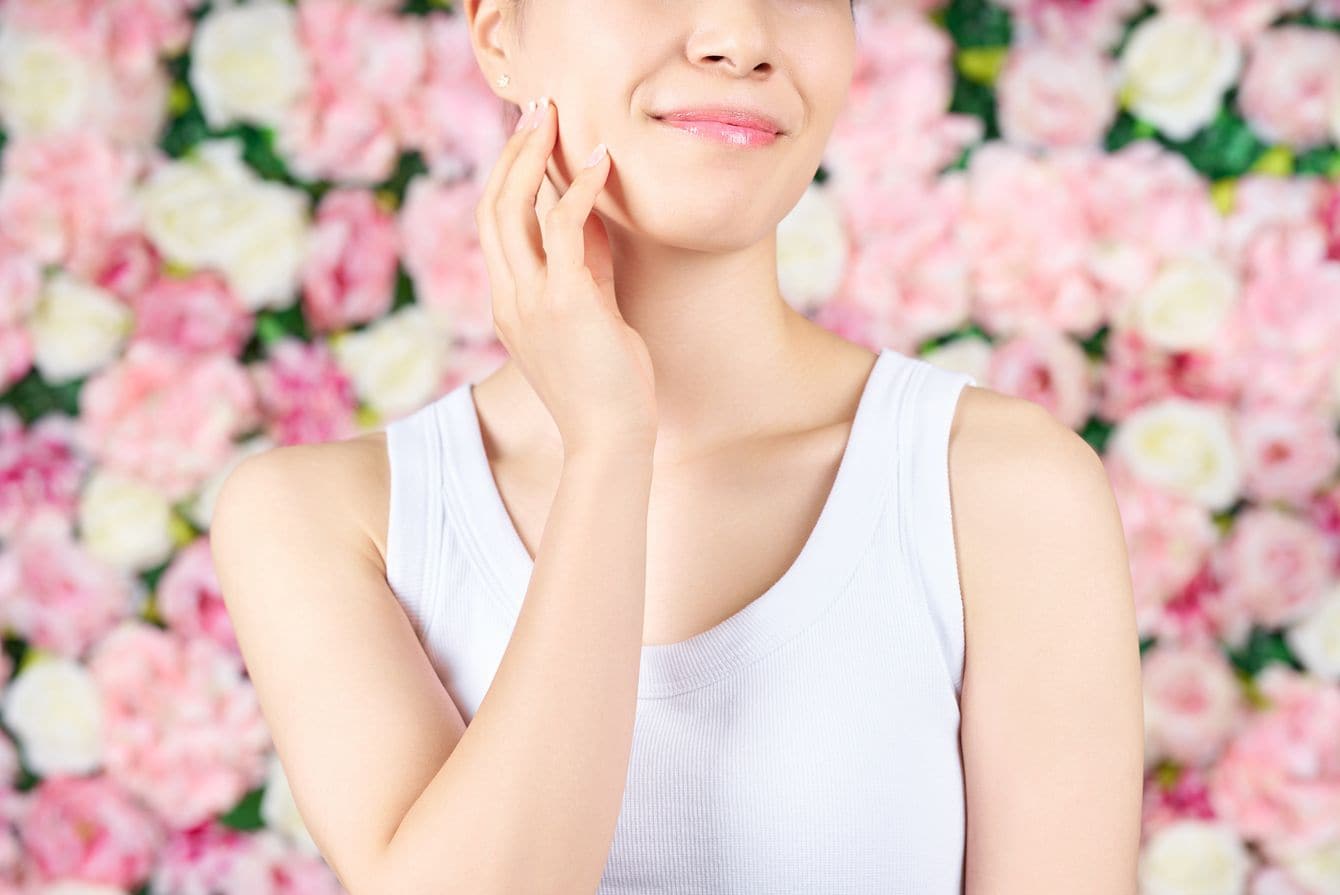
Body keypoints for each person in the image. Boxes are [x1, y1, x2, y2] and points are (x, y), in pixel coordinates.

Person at [209, 0, 1147, 892]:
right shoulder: (326, 520)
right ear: (498, 36)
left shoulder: (1002, 490)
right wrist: (609, 446)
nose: (740, 36)